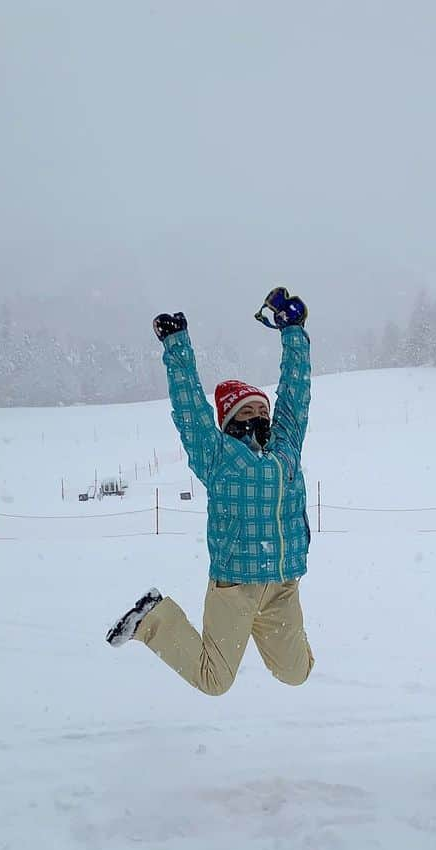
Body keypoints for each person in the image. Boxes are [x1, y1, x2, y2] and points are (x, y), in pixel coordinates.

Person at [106, 287, 314, 696]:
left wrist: (294, 332)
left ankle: (272, 640)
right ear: (229, 420)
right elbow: (190, 413)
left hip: (283, 586)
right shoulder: (217, 455)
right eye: (247, 411)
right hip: (235, 587)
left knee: (297, 673)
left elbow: (296, 395)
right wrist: (176, 346)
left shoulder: (285, 447)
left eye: (262, 410)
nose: (259, 416)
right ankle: (152, 619)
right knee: (214, 681)